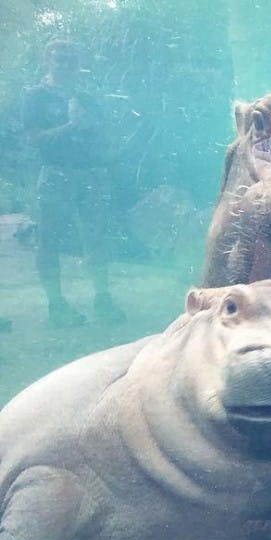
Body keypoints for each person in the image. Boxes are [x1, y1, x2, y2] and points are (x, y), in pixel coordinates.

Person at [21, 38, 125, 327]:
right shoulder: (36, 97)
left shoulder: (87, 98)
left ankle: (103, 298)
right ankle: (56, 305)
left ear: (79, 65)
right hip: (55, 174)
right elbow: (32, 138)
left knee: (96, 238)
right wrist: (70, 127)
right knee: (49, 238)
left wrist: (97, 134)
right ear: (48, 60)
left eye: (71, 59)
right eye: (60, 59)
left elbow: (105, 136)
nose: (65, 64)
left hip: (90, 175)